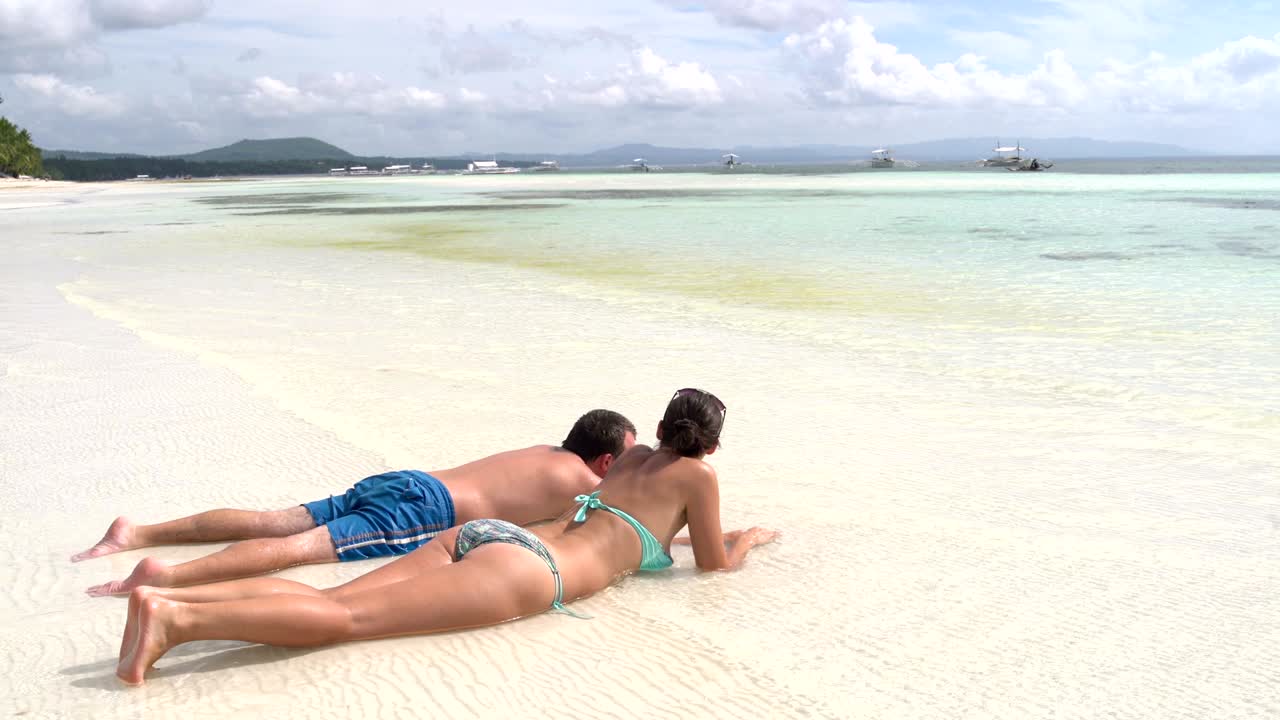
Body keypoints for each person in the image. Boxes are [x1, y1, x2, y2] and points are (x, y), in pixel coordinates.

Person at [113, 388, 778, 686]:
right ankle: (173, 620)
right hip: (530, 573)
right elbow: (715, 568)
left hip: (484, 535)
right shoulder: (700, 479)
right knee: (343, 619)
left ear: (660, 426)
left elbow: (617, 523)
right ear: (712, 444)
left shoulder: (627, 461)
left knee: (340, 596)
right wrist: (746, 541)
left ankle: (169, 608)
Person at [77, 409, 637, 596]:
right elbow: (617, 529)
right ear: (607, 462)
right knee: (295, 549)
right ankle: (166, 577)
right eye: (629, 459)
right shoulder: (583, 485)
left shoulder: (544, 451)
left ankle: (139, 533)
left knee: (276, 518)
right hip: (424, 513)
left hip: (408, 480)